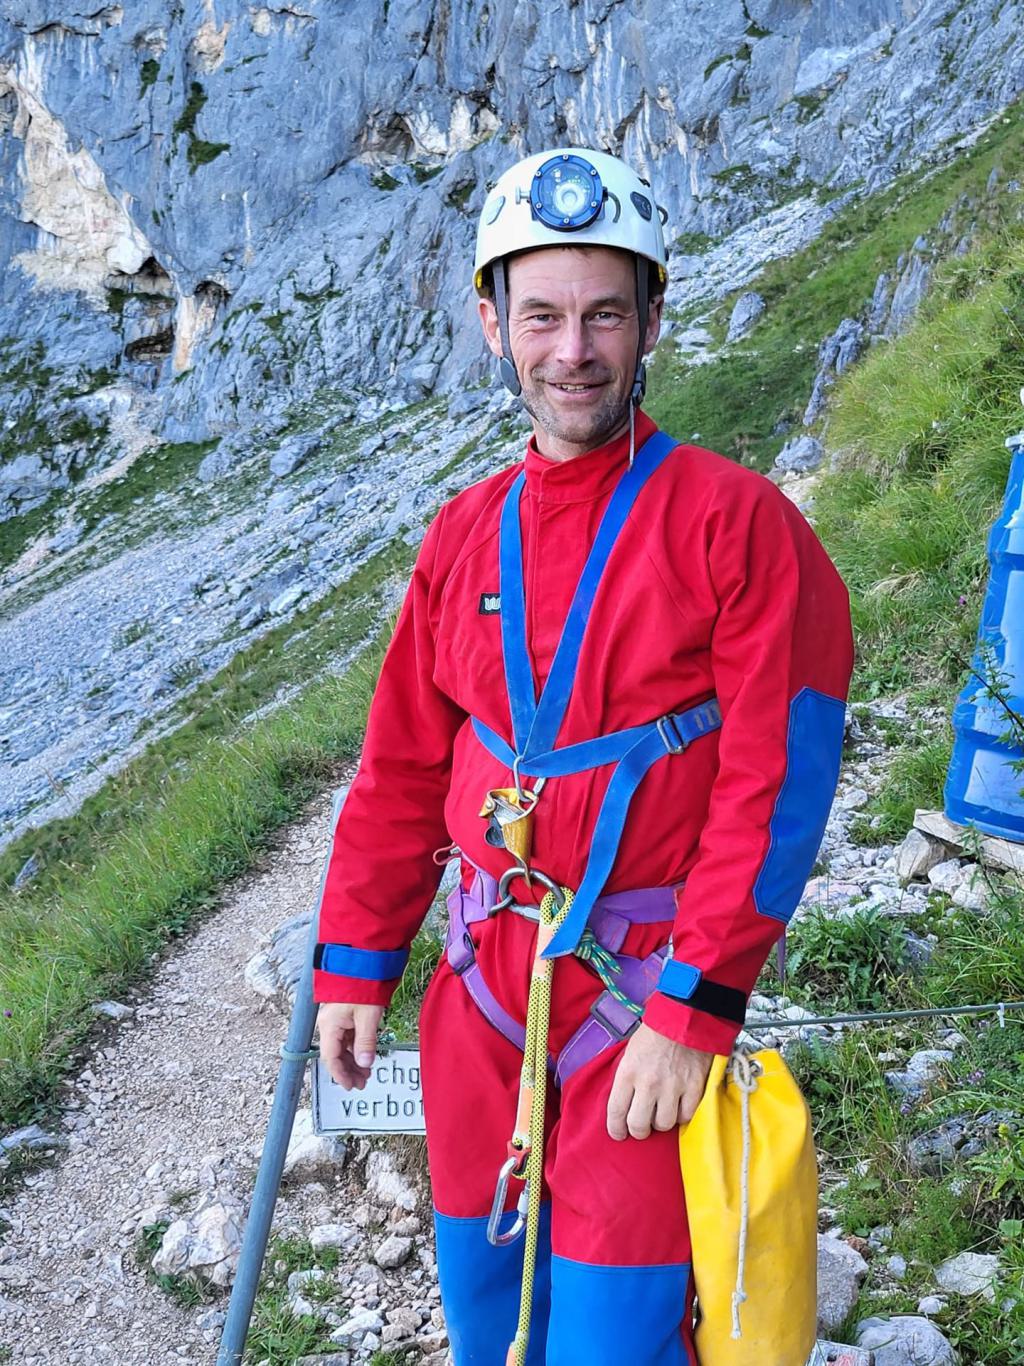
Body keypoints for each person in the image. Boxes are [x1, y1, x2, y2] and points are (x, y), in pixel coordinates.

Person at [314, 146, 855, 1365]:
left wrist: (693, 1009)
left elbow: (779, 785)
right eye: (543, 315)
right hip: (476, 993)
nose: (574, 351)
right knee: (485, 1318)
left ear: (652, 317)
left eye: (605, 313)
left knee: (614, 1340)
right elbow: (401, 766)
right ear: (491, 324)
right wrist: (354, 964)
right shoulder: (461, 536)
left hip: (636, 1002)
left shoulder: (737, 525)